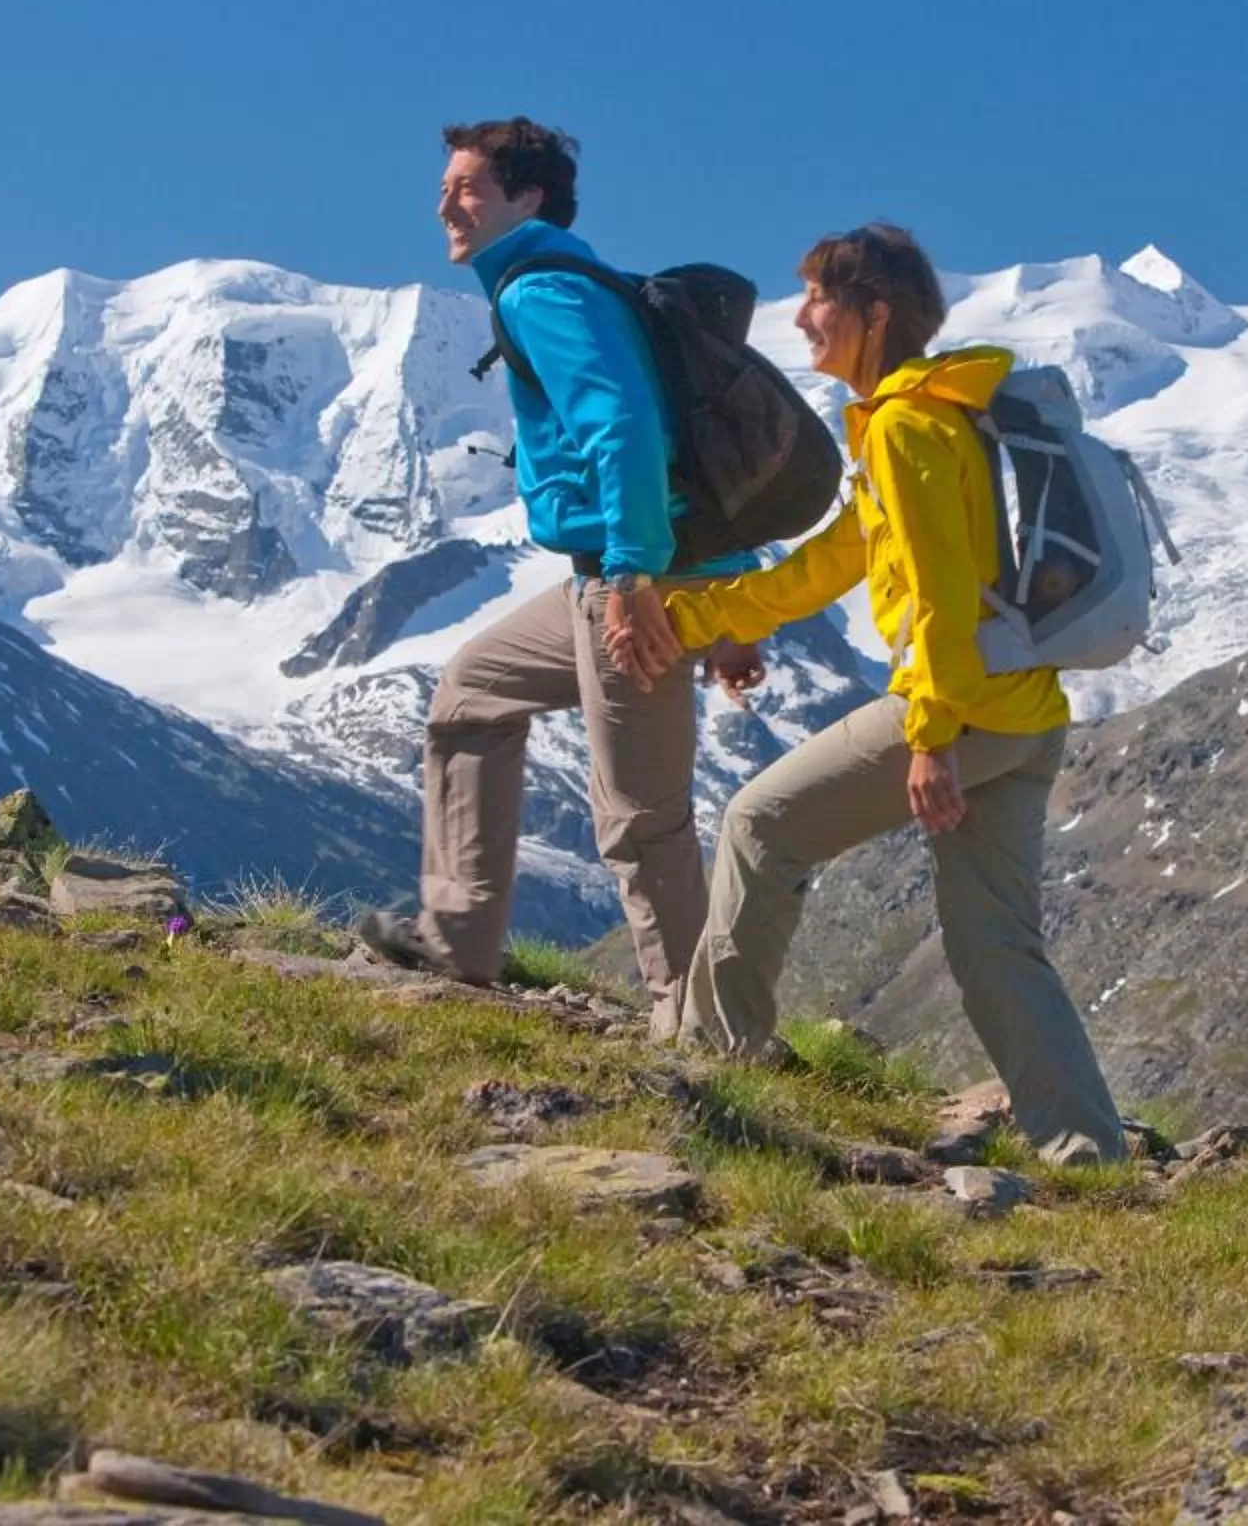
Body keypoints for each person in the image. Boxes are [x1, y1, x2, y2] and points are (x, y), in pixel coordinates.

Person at [610, 223, 1127, 1163]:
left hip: (958, 708)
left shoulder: (903, 427)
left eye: (817, 297)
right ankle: (1087, 1155)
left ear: (873, 313)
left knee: (759, 825)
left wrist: (929, 737)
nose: (801, 316)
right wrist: (693, 620)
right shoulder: (930, 418)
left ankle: (713, 1074)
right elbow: (824, 567)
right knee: (995, 946)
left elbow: (934, 592)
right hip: (1023, 715)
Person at [353, 117, 760, 1038]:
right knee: (472, 692)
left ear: (526, 199)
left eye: (468, 188)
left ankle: (700, 1024)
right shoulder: (569, 283)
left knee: (639, 814)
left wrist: (629, 580)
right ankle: (455, 941)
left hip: (629, 578)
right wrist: (728, 604)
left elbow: (624, 430)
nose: (446, 204)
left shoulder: (543, 292)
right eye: (448, 186)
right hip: (653, 569)